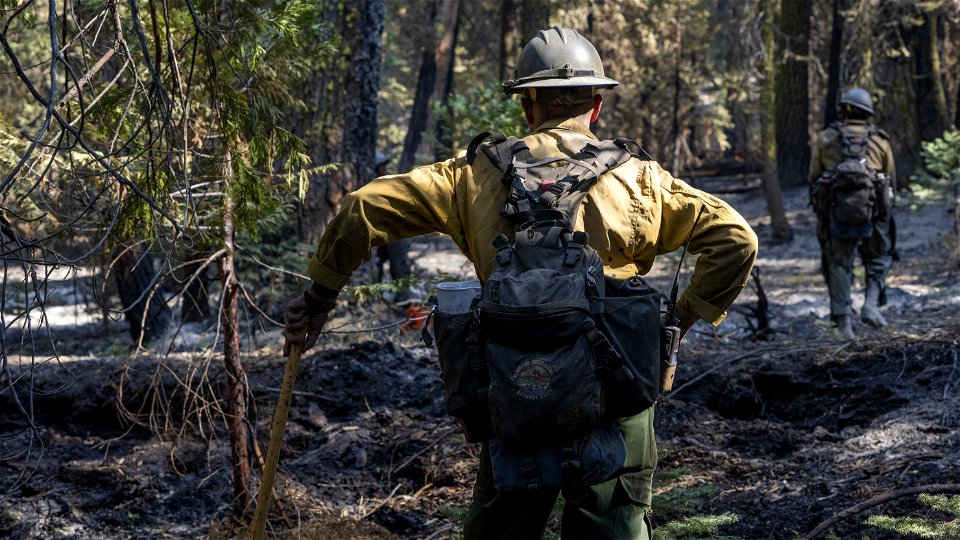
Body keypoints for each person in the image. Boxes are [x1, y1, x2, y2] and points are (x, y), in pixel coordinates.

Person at [284, 26, 758, 539]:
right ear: (595, 106)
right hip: (615, 388)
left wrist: (319, 298)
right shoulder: (639, 179)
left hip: (515, 388)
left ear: (528, 105)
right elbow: (737, 239)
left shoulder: (472, 176)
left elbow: (362, 208)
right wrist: (678, 324)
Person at [809, 86, 896, 340]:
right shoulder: (880, 140)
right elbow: (891, 180)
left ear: (844, 110)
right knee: (879, 257)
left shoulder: (826, 138)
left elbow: (813, 177)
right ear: (867, 113)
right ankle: (870, 304)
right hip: (874, 213)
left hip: (836, 215)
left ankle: (844, 324)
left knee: (839, 263)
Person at [370, 151, 415, 303]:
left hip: (397, 228)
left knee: (399, 263)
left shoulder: (386, 183)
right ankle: (378, 293)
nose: (384, 169)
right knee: (378, 262)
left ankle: (404, 295)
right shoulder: (371, 183)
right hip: (382, 229)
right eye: (381, 166)